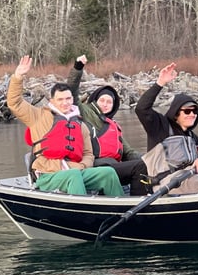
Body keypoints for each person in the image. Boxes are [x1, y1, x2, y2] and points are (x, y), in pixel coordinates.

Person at [7, 55, 123, 196]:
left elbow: (88, 154)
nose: (65, 102)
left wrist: (82, 166)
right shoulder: (37, 116)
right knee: (73, 175)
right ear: (52, 101)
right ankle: (83, 214)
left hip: (76, 171)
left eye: (68, 99)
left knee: (108, 173)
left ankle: (119, 209)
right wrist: (18, 76)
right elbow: (15, 103)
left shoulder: (80, 124)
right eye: (60, 99)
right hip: (47, 174)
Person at [134, 62, 198, 195]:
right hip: (166, 184)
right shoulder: (159, 127)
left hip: (190, 180)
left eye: (195, 111)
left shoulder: (195, 139)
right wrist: (160, 83)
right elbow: (141, 109)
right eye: (187, 111)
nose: (192, 114)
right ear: (176, 114)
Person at [66, 54, 147, 189]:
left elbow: (128, 153)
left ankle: (139, 196)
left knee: (144, 165)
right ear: (95, 100)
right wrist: (78, 68)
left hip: (112, 165)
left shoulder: (113, 125)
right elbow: (71, 92)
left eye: (109, 102)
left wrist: (149, 158)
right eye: (102, 100)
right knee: (138, 167)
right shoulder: (85, 112)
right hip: (97, 165)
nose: (105, 104)